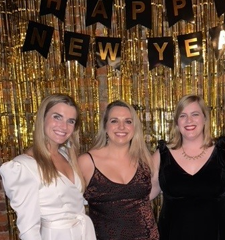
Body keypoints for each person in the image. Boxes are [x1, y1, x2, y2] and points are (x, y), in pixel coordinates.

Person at [0, 93, 96, 240]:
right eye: (57, 117)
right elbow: (28, 230)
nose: (64, 126)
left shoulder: (68, 156)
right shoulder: (24, 167)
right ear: (43, 118)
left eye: (71, 121)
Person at [150, 94, 225, 240]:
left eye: (195, 114)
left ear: (205, 118)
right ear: (177, 122)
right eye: (183, 115)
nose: (189, 120)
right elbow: (142, 195)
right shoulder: (161, 155)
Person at [78, 100, 159, 240]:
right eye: (114, 121)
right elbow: (71, 205)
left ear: (134, 127)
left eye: (128, 121)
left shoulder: (144, 160)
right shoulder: (87, 162)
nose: (121, 127)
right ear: (105, 126)